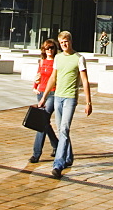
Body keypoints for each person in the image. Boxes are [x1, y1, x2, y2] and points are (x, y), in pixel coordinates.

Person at [38, 30, 92, 179]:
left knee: (64, 129)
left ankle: (58, 164)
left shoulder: (79, 58)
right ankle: (69, 157)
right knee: (62, 130)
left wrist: (88, 102)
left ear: (71, 41)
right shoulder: (58, 58)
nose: (64, 45)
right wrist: (44, 97)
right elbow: (52, 78)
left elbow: (85, 81)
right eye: (61, 43)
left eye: (66, 42)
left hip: (70, 98)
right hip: (58, 97)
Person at [29, 39, 59, 163]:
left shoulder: (57, 62)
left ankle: (36, 154)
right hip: (40, 92)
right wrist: (34, 87)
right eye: (47, 48)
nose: (50, 50)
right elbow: (38, 75)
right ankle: (57, 145)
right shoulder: (42, 61)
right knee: (45, 122)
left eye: (52, 48)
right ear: (43, 49)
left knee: (42, 121)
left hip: (52, 93)